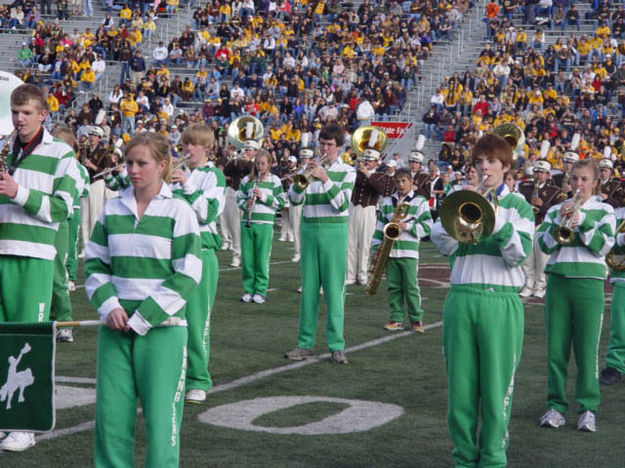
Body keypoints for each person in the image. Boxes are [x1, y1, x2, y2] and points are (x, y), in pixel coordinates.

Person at [85, 133, 202, 466]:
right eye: (129, 162)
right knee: (111, 420)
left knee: (162, 421)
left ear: (162, 166)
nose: (133, 170)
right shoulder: (112, 208)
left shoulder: (179, 210)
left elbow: (189, 272)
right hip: (115, 325)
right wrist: (110, 306)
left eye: (142, 163)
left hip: (162, 328)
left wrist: (143, 316)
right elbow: (95, 263)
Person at [431, 133, 534, 467]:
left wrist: (493, 215)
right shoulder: (461, 197)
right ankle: (463, 457)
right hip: (461, 297)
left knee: (495, 390)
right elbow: (441, 242)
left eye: (490, 161)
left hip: (500, 301)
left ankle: (492, 458)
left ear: (505, 166)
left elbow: (518, 254)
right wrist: (462, 207)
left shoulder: (518, 205)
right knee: (460, 391)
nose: (483, 168)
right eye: (478, 162)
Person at [0, 84, 77, 452]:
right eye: (15, 112)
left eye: (26, 113)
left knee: (28, 341)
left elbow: (62, 209)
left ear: (43, 114)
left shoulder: (62, 153)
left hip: (33, 253)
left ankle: (26, 426)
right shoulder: (4, 146)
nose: (19, 119)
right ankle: (5, 417)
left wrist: (17, 192)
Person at [537, 158, 616, 433]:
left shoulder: (605, 210)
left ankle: (587, 409)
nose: (578, 185)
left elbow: (604, 247)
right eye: (574, 179)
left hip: (589, 284)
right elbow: (544, 243)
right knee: (556, 351)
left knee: (586, 351)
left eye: (584, 180)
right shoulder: (556, 209)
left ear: (595, 182)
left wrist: (582, 221)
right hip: (558, 281)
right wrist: (561, 219)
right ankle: (555, 406)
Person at [285, 123, 355, 364]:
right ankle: (305, 344)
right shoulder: (310, 168)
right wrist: (300, 178)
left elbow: (342, 204)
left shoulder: (348, 171)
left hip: (334, 231)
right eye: (322, 144)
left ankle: (337, 345)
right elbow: (294, 200)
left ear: (339, 147)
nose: (325, 149)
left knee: (334, 291)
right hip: (310, 230)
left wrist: (325, 179)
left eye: (330, 145)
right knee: (309, 291)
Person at [169, 123, 226, 404]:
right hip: (172, 252)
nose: (187, 149)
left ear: (207, 147)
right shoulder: (172, 173)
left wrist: (185, 184)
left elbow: (209, 213)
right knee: (169, 317)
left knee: (196, 319)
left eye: (193, 144)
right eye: (185, 143)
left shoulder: (213, 176)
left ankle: (198, 379)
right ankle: (173, 374)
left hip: (200, 251)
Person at [371, 168, 432, 331]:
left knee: (411, 286)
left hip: (409, 252)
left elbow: (428, 226)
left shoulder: (420, 201)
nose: (401, 184)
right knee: (394, 286)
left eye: (404, 181)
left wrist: (407, 226)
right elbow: (379, 227)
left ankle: (416, 319)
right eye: (397, 181)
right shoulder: (387, 202)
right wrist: (375, 247)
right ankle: (396, 318)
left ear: (411, 182)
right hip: (389, 251)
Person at [49, 125, 90, 343]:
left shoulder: (73, 167)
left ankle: (64, 321)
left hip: (62, 218)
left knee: (57, 273)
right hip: (43, 219)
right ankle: (47, 317)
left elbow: (78, 192)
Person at [236, 149, 285, 304]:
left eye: (263, 164)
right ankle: (248, 290)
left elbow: (281, 202)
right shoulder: (247, 180)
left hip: (265, 223)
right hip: (247, 223)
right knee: (248, 259)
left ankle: (260, 290)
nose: (260, 167)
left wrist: (263, 196)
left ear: (269, 164)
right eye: (257, 163)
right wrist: (246, 204)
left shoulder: (275, 180)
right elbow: (238, 198)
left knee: (262, 259)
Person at [345, 136, 393, 286]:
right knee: (351, 243)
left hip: (369, 210)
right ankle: (350, 274)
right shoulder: (355, 172)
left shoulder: (381, 176)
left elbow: (383, 191)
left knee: (366, 243)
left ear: (377, 162)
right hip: (353, 208)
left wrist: (367, 173)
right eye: (366, 159)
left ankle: (363, 273)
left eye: (371, 160)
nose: (367, 162)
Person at [518, 159, 561, 299]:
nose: (538, 175)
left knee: (542, 258)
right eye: (536, 172)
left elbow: (557, 211)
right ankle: (527, 284)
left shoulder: (554, 191)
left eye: (542, 173)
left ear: (548, 174)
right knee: (527, 257)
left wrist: (542, 205)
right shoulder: (524, 187)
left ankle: (540, 286)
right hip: (527, 224)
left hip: (542, 225)